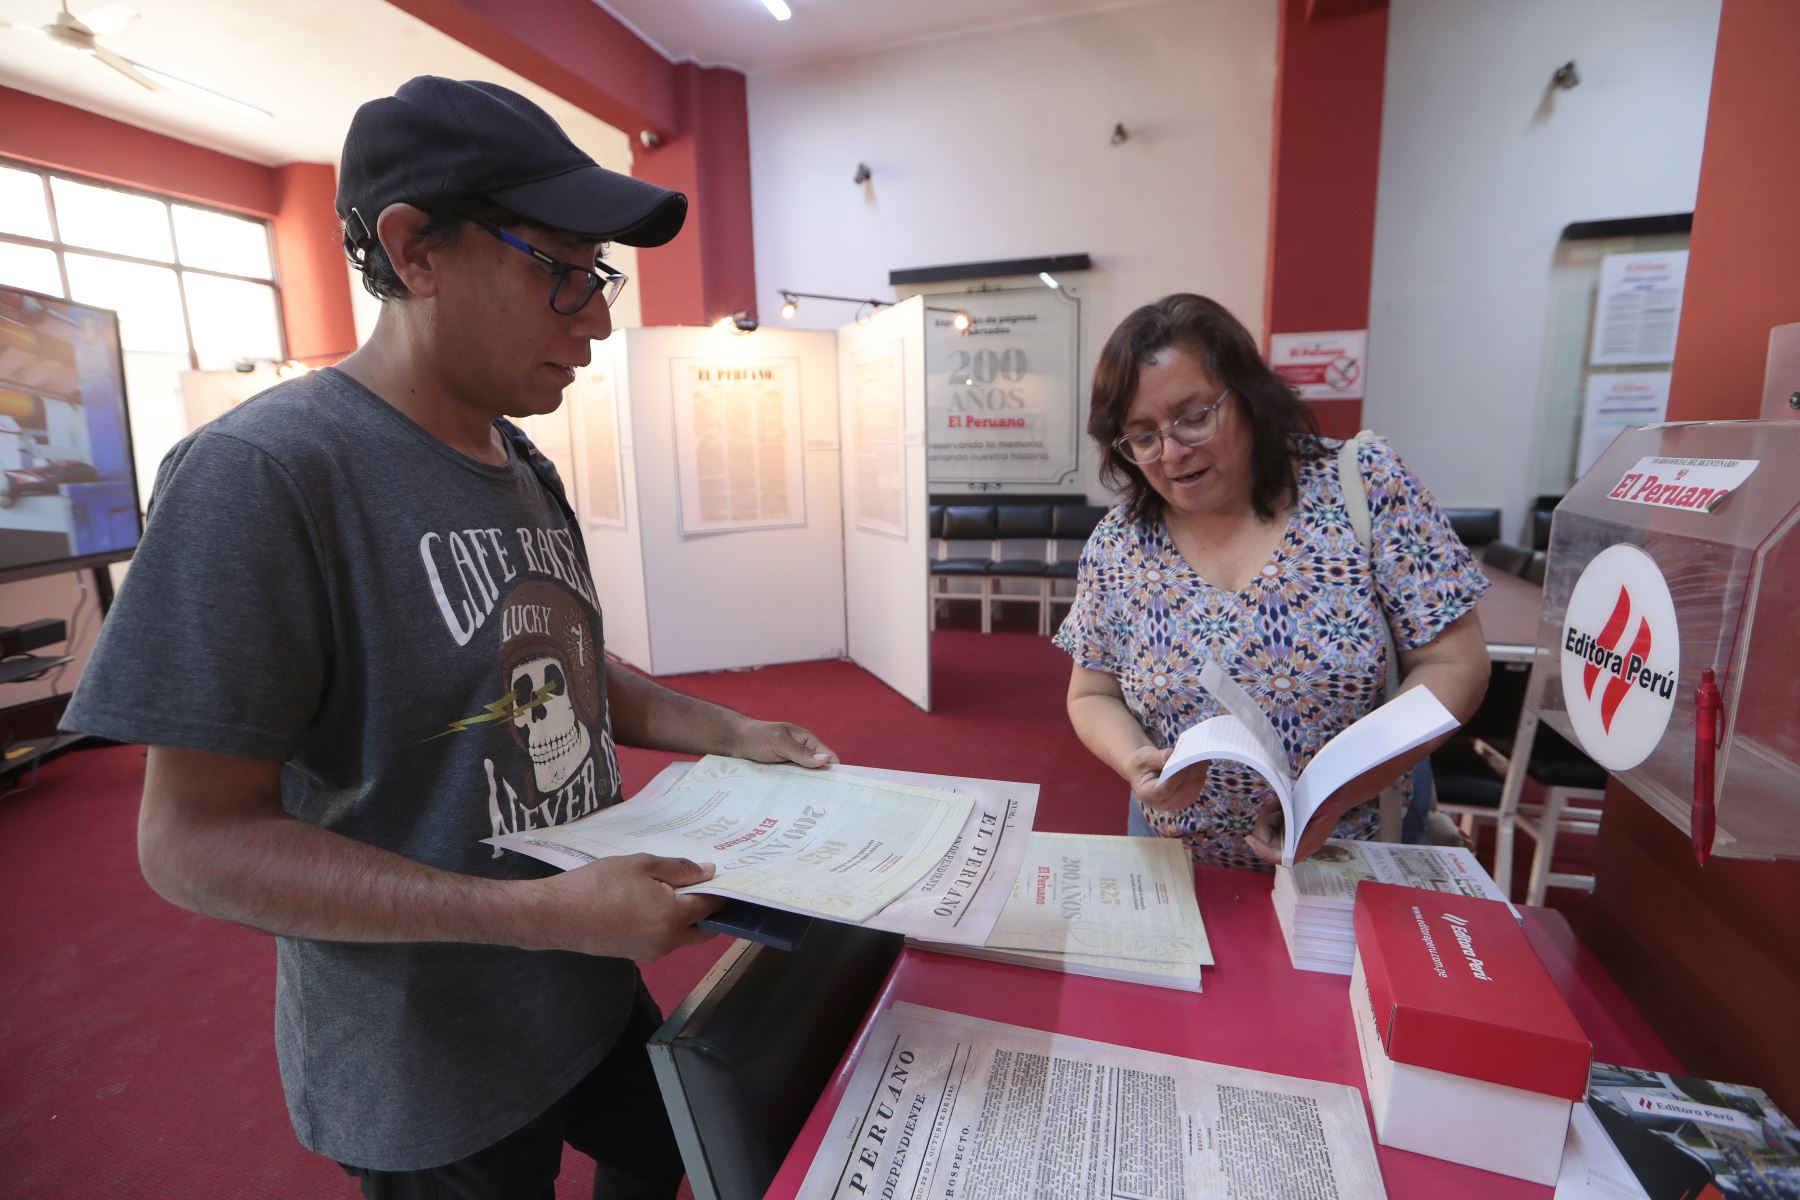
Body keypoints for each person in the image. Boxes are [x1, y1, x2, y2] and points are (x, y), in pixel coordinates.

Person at [61, 76, 838, 1198]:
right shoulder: (265, 477)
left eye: (600, 276)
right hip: (428, 1056)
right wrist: (531, 917)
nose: (599, 317)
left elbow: (561, 668)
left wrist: (731, 728)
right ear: (415, 248)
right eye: (561, 272)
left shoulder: (519, 459)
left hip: (582, 978)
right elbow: (191, 842)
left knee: (671, 1151)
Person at [1053, 294, 1489, 869]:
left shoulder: (1364, 487)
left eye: (1193, 417)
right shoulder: (1120, 542)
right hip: (1179, 861)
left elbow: (1455, 663)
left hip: (1350, 846)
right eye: (1143, 436)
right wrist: (1133, 757)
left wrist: (1334, 793)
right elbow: (1092, 692)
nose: (1173, 452)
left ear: (1248, 396)